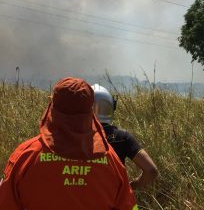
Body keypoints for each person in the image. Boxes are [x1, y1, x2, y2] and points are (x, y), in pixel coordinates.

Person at [0, 77, 138, 210]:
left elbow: (5, 204)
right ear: (90, 112)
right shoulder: (110, 159)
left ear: (52, 107)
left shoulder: (26, 155)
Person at [92, 84, 158, 189]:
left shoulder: (72, 137)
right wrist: (129, 188)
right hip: (116, 202)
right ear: (111, 107)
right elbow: (151, 170)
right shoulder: (122, 137)